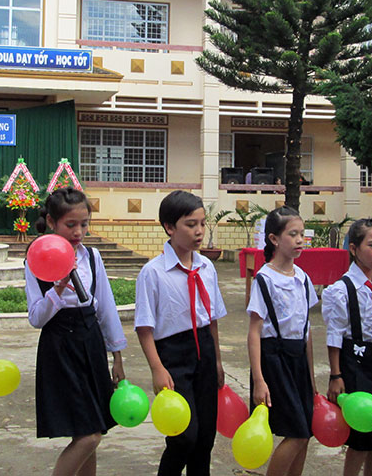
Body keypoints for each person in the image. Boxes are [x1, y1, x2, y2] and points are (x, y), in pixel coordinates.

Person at [25, 187, 126, 476]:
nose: (78, 232)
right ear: (53, 222)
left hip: (90, 341)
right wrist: (56, 289)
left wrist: (116, 355)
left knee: (93, 431)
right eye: (71, 225)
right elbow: (36, 317)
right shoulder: (35, 260)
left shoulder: (92, 257)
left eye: (84, 224)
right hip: (60, 346)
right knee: (88, 434)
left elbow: (105, 306)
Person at [135, 190, 226, 476]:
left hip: (205, 353)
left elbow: (212, 320)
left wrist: (218, 361)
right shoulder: (153, 273)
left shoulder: (206, 267)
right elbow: (144, 327)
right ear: (170, 228)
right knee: (183, 435)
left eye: (201, 223)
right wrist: (157, 369)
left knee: (205, 438)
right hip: (173, 357)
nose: (199, 231)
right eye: (190, 224)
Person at [321, 218, 372, 476]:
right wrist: (336, 375)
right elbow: (334, 335)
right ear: (354, 249)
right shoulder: (341, 290)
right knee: (361, 434)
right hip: (355, 364)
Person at [247, 207, 318, 476]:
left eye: (302, 234)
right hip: (274, 359)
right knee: (297, 433)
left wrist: (311, 377)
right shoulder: (265, 279)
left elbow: (306, 330)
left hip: (298, 358)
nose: (300, 240)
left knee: (306, 432)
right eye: (293, 234)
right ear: (274, 239)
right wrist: (259, 379)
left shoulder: (302, 278)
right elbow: (254, 332)